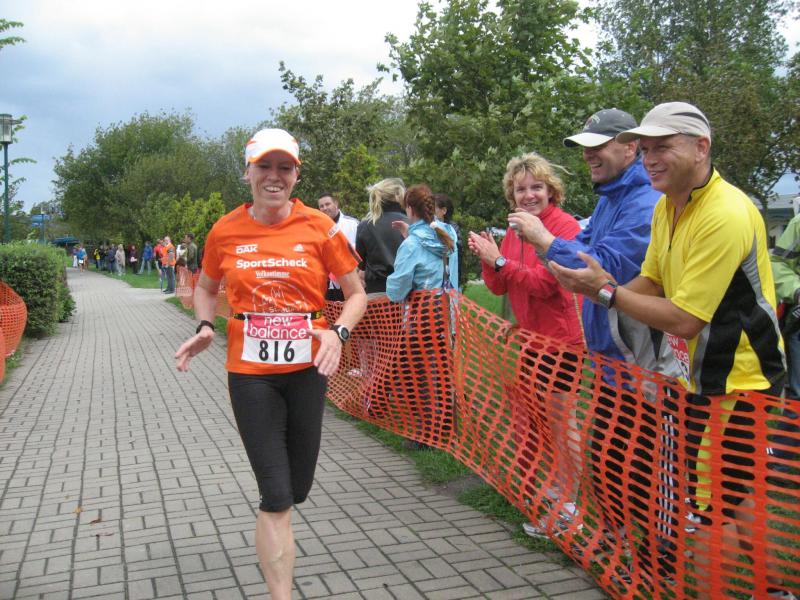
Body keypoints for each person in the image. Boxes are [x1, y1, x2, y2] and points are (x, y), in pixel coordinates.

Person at [550, 102, 789, 598]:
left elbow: (684, 318)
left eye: (664, 146)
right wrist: (604, 288)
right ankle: (774, 588)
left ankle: (735, 587)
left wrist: (606, 293)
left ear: (701, 148)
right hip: (694, 374)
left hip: (737, 381)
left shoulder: (724, 213)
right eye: (647, 148)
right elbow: (653, 280)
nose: (651, 158)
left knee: (710, 505)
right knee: (730, 494)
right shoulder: (668, 204)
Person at [174, 128, 366, 600]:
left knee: (297, 488)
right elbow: (205, 288)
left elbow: (357, 293)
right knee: (276, 496)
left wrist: (338, 333)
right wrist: (206, 325)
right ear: (248, 172)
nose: (274, 176)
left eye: (285, 167)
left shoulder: (320, 227)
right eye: (264, 166)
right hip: (250, 376)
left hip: (307, 373)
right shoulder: (225, 230)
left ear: (296, 175)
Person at [468, 152, 583, 344]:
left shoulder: (566, 226)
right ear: (512, 195)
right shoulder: (513, 230)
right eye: (520, 189)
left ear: (550, 191)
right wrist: (487, 258)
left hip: (561, 343)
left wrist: (499, 261)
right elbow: (499, 287)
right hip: (529, 338)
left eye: (537, 187)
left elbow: (544, 285)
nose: (529, 195)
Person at [386, 184, 458, 451]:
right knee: (441, 369)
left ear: (409, 208)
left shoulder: (412, 244)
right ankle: (447, 427)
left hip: (420, 314)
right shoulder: (446, 234)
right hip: (445, 309)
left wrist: (407, 240)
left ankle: (427, 435)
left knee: (419, 374)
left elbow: (398, 289)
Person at [355, 178, 408, 297]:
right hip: (407, 291)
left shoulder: (365, 225)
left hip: (377, 293)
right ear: (399, 195)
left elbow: (360, 263)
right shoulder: (411, 222)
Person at [318, 193, 359, 301]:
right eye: (321, 206)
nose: (325, 208)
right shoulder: (317, 228)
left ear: (336, 204)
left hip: (350, 279)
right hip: (327, 284)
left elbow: (361, 252)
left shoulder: (352, 224)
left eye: (327, 204)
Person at [434, 193, 466, 290]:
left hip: (448, 283)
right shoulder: (429, 228)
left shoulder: (452, 232)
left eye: (433, 208)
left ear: (444, 211)